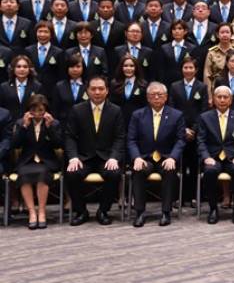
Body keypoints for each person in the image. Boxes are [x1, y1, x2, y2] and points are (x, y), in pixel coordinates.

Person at [64, 76, 125, 226]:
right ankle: (81, 211)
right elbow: (70, 136)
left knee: (114, 173)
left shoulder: (116, 111)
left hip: (106, 158)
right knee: (72, 174)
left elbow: (120, 137)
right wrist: (73, 157)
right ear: (87, 91)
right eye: (93, 89)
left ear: (107, 91)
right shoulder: (77, 110)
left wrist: (114, 157)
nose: (97, 92)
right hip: (84, 157)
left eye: (101, 89)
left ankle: (103, 211)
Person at [127, 82, 186, 227]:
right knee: (138, 170)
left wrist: (173, 157)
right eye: (153, 95)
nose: (157, 97)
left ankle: (166, 212)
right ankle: (140, 212)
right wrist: (137, 157)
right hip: (145, 157)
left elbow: (180, 140)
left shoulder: (176, 115)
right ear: (148, 98)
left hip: (166, 157)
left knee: (169, 170)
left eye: (160, 94)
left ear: (166, 97)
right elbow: (131, 139)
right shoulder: (137, 115)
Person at [197, 85, 234, 225]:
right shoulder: (205, 117)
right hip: (213, 158)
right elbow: (201, 141)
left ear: (230, 100)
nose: (222, 100)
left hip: (233, 158)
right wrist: (206, 157)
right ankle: (213, 209)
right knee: (210, 171)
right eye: (219, 97)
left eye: (225, 97)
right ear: (214, 99)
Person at [12, 94, 62, 229]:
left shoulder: (54, 123)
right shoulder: (21, 123)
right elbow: (15, 145)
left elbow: (58, 144)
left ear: (46, 110)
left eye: (41, 110)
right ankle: (32, 212)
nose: (37, 114)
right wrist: (24, 126)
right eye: (33, 110)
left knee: (42, 175)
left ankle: (42, 211)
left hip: (46, 161)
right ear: (29, 110)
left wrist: (50, 128)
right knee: (23, 175)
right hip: (27, 161)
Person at [168, 57, 208, 207]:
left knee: (194, 165)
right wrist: (183, 129)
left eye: (191, 68)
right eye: (185, 67)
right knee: (180, 166)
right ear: (182, 69)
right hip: (179, 132)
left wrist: (194, 130)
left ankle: (194, 197)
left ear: (196, 70)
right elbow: (171, 108)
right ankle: (179, 197)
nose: (188, 70)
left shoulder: (202, 87)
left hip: (196, 133)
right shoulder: (174, 86)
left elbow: (203, 111)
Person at [0, 55, 43, 122]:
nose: (22, 69)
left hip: (30, 123)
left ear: (30, 69)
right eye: (18, 66)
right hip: (8, 124)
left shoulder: (37, 86)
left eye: (25, 67)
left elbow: (40, 107)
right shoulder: (4, 87)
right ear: (13, 69)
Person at [109, 55, 147, 128]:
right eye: (125, 66)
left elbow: (145, 106)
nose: (128, 68)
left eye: (132, 66)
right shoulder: (114, 83)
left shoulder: (143, 84)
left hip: (137, 121)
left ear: (136, 68)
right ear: (121, 67)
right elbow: (111, 104)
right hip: (118, 121)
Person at [51, 54, 87, 123]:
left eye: (78, 66)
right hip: (64, 123)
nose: (75, 69)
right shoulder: (59, 86)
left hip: (84, 122)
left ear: (83, 68)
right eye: (72, 66)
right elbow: (55, 109)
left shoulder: (88, 85)